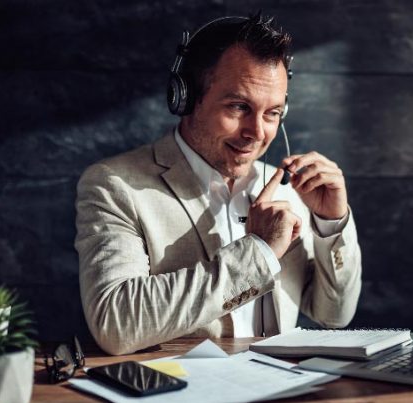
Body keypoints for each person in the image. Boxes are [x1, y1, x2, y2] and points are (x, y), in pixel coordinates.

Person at [74, 13, 362, 355]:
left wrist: (332, 224)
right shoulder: (114, 185)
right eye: (239, 107)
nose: (257, 133)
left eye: (272, 113)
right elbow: (116, 325)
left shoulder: (289, 188)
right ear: (185, 98)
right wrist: (261, 251)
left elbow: (335, 316)